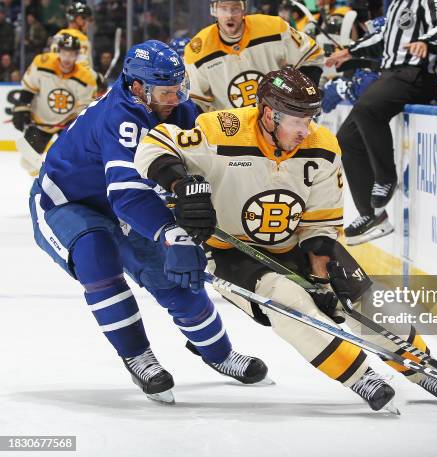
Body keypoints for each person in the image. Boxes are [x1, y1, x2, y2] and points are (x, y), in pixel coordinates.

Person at [135, 66, 437, 411]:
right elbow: (154, 145)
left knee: (358, 294)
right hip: (231, 253)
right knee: (288, 301)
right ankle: (360, 376)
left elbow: (320, 222)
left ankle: (421, 364)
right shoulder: (224, 129)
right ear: (269, 114)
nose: (306, 130)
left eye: (310, 119)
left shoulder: (322, 146)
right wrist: (182, 185)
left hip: (295, 245)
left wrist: (322, 275)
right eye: (297, 120)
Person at [28, 40, 268, 403]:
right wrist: (172, 231)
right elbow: (127, 195)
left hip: (120, 204)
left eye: (179, 88)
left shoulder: (180, 109)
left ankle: (219, 354)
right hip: (66, 203)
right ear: (138, 87)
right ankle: (137, 355)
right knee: (98, 257)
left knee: (177, 279)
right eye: (167, 92)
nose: (176, 99)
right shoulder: (121, 117)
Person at [326, 0, 437, 245]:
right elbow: (385, 37)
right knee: (346, 139)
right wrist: (351, 51)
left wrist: (426, 42)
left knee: (367, 109)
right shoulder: (396, 4)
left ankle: (385, 178)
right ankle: (372, 215)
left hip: (415, 74)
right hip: (391, 75)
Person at [184, 0, 324, 112]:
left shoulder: (273, 27)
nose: (229, 15)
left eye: (235, 8)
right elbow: (196, 101)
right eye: (223, 8)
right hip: (231, 132)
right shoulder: (198, 50)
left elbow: (311, 55)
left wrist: (304, 98)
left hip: (279, 122)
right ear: (213, 10)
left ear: (244, 7)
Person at [13, 33, 97, 176]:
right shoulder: (41, 63)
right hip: (40, 120)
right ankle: (40, 185)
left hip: (66, 123)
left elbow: (85, 108)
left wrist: (79, 128)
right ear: (57, 51)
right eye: (64, 53)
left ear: (78, 55)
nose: (67, 59)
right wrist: (22, 107)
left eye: (71, 54)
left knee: (72, 162)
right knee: (27, 162)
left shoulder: (86, 77)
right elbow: (29, 87)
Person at [51, 2, 94, 68]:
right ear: (79, 19)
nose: (89, 24)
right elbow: (84, 67)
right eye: (89, 20)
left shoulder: (57, 36)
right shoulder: (82, 39)